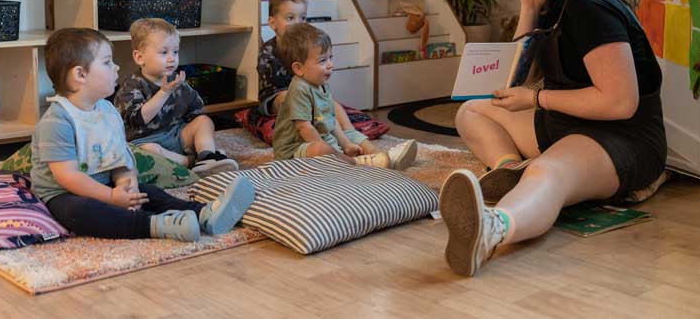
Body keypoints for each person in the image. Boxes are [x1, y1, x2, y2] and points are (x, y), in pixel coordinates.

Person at [441, 0, 667, 276]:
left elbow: (620, 102)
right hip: (569, 121)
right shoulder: (560, 4)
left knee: (549, 173)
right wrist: (528, 9)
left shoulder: (591, 6)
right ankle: (509, 169)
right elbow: (511, 85)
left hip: (620, 137)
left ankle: (493, 228)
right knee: (472, 111)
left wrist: (535, 99)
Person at [31, 28, 255, 241]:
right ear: (80, 74)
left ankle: (204, 213)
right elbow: (69, 177)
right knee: (78, 211)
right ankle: (155, 226)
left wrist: (128, 188)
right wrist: (111, 198)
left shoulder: (107, 111)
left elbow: (120, 156)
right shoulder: (57, 121)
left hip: (107, 185)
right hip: (64, 194)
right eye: (108, 62)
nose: (117, 67)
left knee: (150, 193)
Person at [272, 23, 416, 170]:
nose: (330, 65)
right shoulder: (299, 89)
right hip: (294, 151)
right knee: (320, 150)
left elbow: (330, 121)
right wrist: (329, 149)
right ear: (298, 68)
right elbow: (304, 128)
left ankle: (380, 156)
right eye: (322, 61)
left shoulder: (321, 84)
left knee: (350, 134)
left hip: (321, 135)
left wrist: (345, 144)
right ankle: (355, 163)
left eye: (330, 58)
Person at [115, 18, 238, 177]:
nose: (172, 58)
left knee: (204, 121)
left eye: (175, 51)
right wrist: (163, 93)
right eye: (164, 52)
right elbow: (137, 119)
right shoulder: (131, 86)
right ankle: (191, 163)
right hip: (144, 142)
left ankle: (207, 155)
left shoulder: (177, 81)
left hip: (175, 135)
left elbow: (196, 111)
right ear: (140, 58)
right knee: (149, 152)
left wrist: (196, 133)